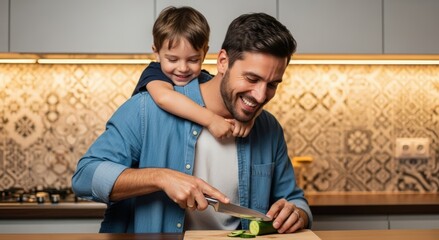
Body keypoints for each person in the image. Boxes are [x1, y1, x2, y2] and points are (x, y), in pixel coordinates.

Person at [72, 11, 312, 234]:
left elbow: (293, 199)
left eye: (272, 85)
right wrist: (161, 177)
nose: (261, 96)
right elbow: (85, 177)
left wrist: (297, 213)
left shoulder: (268, 128)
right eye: (251, 78)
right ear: (222, 62)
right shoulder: (146, 109)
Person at [132, 6, 253, 139]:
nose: (183, 68)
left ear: (204, 53)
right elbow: (164, 98)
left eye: (193, 60)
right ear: (157, 53)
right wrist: (211, 120)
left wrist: (248, 119)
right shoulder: (154, 72)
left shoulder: (206, 80)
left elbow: (236, 97)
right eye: (173, 59)